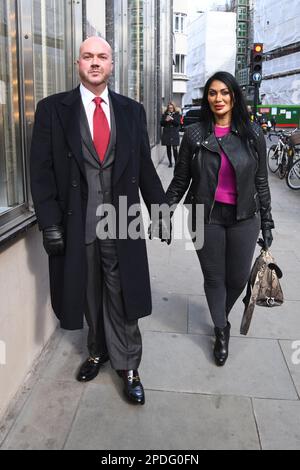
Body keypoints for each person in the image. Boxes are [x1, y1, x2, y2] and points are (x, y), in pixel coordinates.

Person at [30, 36, 168, 405]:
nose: (95, 62)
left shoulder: (131, 111)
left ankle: (129, 365)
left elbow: (143, 165)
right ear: (78, 64)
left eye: (102, 57)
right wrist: (50, 223)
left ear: (112, 64)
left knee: (123, 292)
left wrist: (160, 211)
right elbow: (40, 171)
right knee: (88, 291)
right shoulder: (52, 109)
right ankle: (98, 351)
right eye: (88, 56)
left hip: (122, 220)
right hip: (78, 222)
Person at [166, 71, 274, 366]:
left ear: (234, 96)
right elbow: (180, 180)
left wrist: (267, 222)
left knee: (238, 278)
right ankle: (221, 329)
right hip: (205, 215)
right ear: (207, 98)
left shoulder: (252, 133)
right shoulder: (195, 134)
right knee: (214, 277)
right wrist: (165, 213)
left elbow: (261, 181)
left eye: (225, 92)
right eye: (213, 93)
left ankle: (220, 315)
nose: (219, 98)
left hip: (244, 217)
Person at [160, 102, 181, 167]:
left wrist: (172, 119)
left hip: (174, 133)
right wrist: (166, 120)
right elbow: (161, 124)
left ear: (174, 108)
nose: (170, 109)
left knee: (175, 149)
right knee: (168, 148)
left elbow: (177, 123)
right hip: (167, 133)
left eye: (171, 108)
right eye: (169, 108)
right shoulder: (165, 114)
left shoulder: (177, 114)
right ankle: (170, 163)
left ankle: (176, 163)